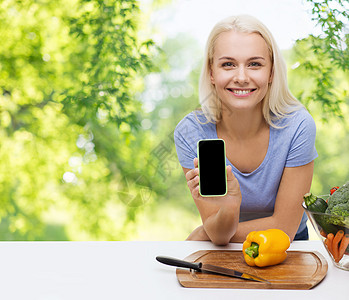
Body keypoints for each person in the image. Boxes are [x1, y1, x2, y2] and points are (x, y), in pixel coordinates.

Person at [173, 15, 317, 245]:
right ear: (211, 72)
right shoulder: (191, 132)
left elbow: (285, 229)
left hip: (288, 248)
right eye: (228, 64)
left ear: (271, 73)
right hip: (223, 247)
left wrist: (204, 234)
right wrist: (230, 205)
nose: (241, 77)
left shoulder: (298, 126)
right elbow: (219, 234)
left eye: (255, 64)